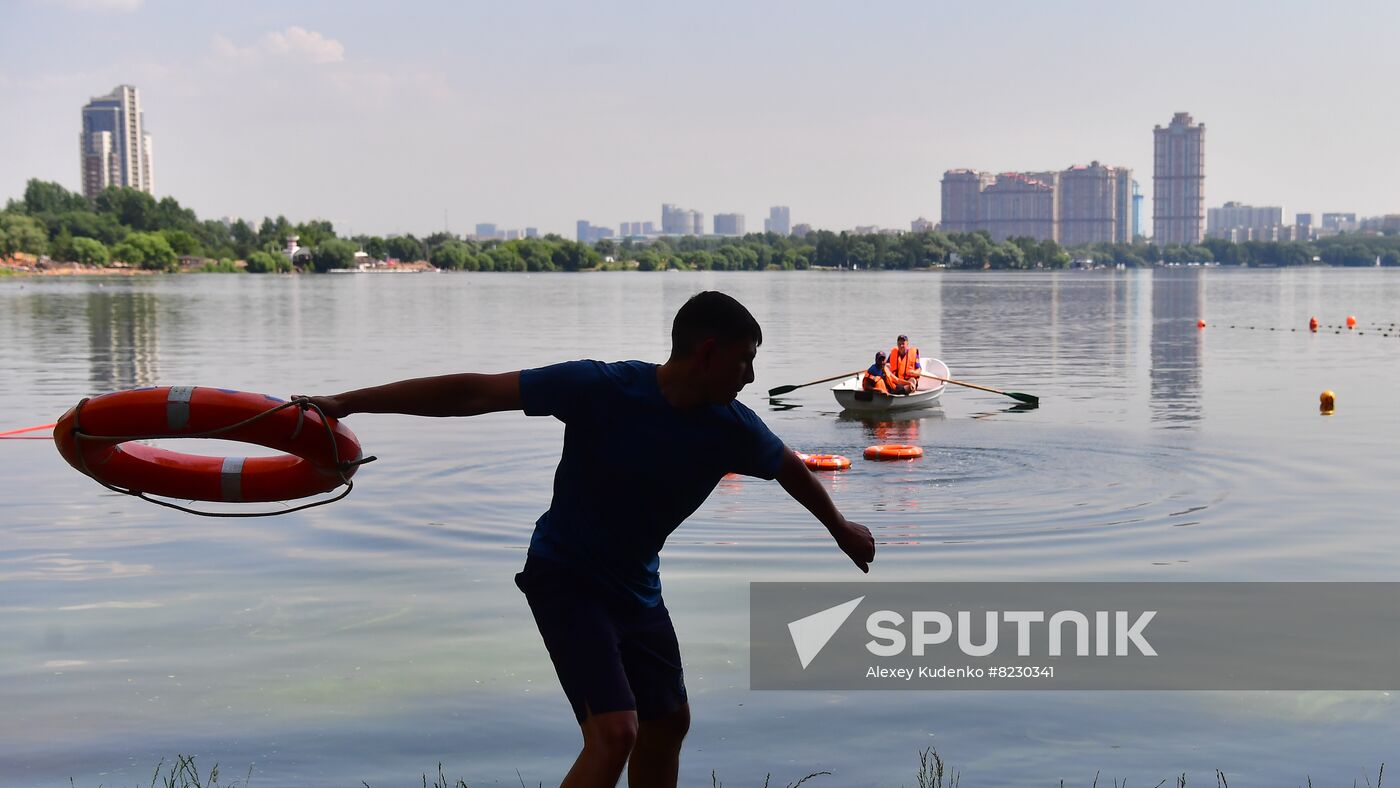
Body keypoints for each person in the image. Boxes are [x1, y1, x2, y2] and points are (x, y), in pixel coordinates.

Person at [294, 291, 875, 788]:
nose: (751, 376)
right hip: (565, 577)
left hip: (636, 591)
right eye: (746, 360)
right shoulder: (601, 387)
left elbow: (791, 469)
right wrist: (349, 402)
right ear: (707, 353)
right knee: (615, 731)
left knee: (668, 722)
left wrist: (841, 529)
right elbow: (473, 393)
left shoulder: (733, 427)